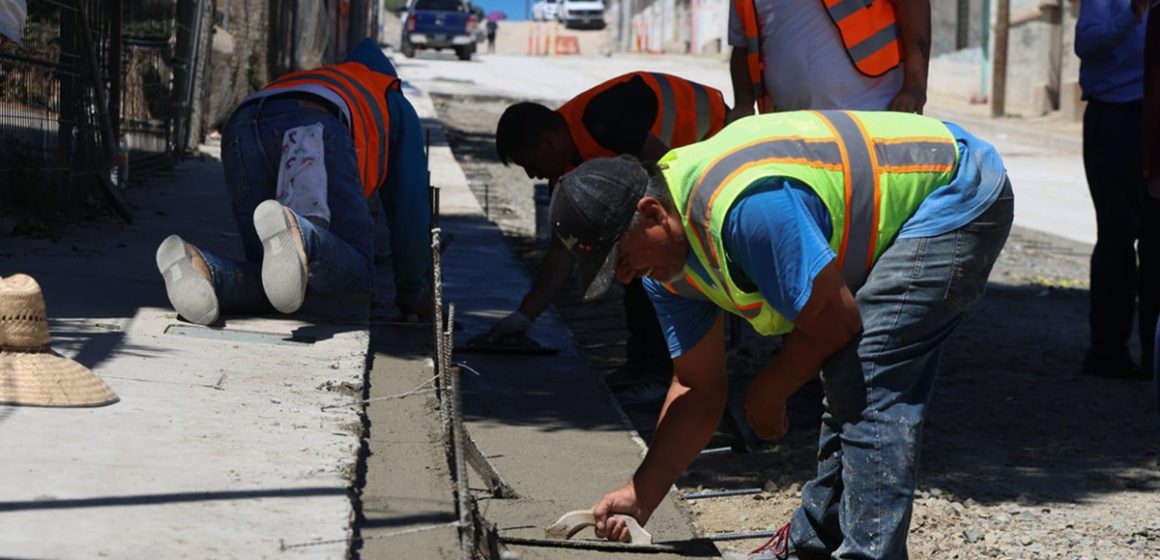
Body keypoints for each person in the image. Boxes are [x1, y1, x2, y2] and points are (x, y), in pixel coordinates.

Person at [548, 110, 1012, 559]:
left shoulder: (745, 209)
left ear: (652, 214)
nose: (625, 278)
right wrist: (640, 494)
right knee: (850, 370)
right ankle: (817, 543)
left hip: (955, 187)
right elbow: (696, 387)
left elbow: (835, 321)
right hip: (912, 201)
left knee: (868, 367)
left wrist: (768, 392)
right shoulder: (666, 268)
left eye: (621, 258)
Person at [156, 38, 430, 325]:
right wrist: (411, 291)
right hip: (313, 121)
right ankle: (301, 235)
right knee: (360, 278)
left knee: (280, 278)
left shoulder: (330, 77)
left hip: (241, 124)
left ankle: (203, 269)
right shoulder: (391, 95)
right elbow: (410, 208)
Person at [480, 72, 728, 374]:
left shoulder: (604, 120)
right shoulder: (566, 173)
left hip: (714, 136)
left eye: (530, 164)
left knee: (652, 260)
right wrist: (523, 317)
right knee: (641, 261)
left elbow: (671, 178)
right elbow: (562, 251)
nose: (532, 176)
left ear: (548, 142)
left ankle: (662, 368)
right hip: (682, 163)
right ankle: (653, 365)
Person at [1075, 0, 1156, 380]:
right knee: (1117, 233)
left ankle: (1154, 354)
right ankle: (1108, 351)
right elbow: (1086, 44)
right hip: (1118, 118)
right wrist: (1132, 14)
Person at [727, 0, 931, 120]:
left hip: (871, 113)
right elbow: (743, 45)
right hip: (791, 125)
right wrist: (743, 105)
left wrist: (915, 85)